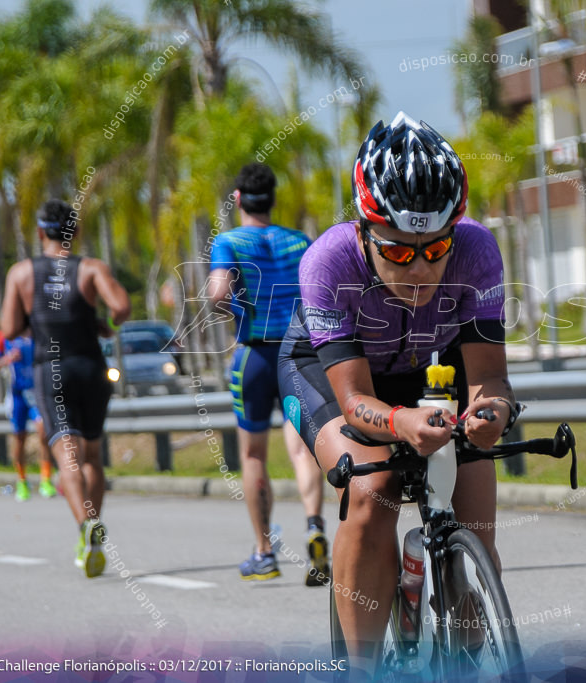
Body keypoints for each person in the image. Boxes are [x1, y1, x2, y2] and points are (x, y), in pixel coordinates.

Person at [278, 112, 518, 671]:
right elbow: (356, 401)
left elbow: (489, 374)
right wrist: (400, 425)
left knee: (475, 502)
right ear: (365, 230)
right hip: (331, 372)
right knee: (374, 486)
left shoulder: (477, 250)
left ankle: (468, 652)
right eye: (400, 250)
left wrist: (492, 410)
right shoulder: (327, 261)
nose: (421, 267)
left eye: (435, 250)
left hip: (425, 366)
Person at [206, 162, 328, 584]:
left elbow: (218, 292)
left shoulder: (229, 241)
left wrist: (231, 312)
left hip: (255, 355)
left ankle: (264, 553)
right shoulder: (300, 242)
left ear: (237, 199)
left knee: (254, 455)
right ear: (273, 200)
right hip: (300, 355)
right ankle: (315, 527)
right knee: (303, 449)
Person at [0, 198, 131, 578]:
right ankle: (93, 529)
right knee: (91, 457)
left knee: (67, 459)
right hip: (90, 367)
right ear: (75, 233)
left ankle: (84, 527)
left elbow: (8, 329)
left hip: (50, 369)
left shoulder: (21, 273)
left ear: (41, 232)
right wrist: (104, 321)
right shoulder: (90, 268)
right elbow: (121, 306)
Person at [0, 330, 55, 501]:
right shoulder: (4, 335)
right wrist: (6, 359)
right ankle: (21, 480)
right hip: (18, 394)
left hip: (38, 393)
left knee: (43, 433)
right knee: (19, 438)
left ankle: (46, 479)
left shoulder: (38, 330)